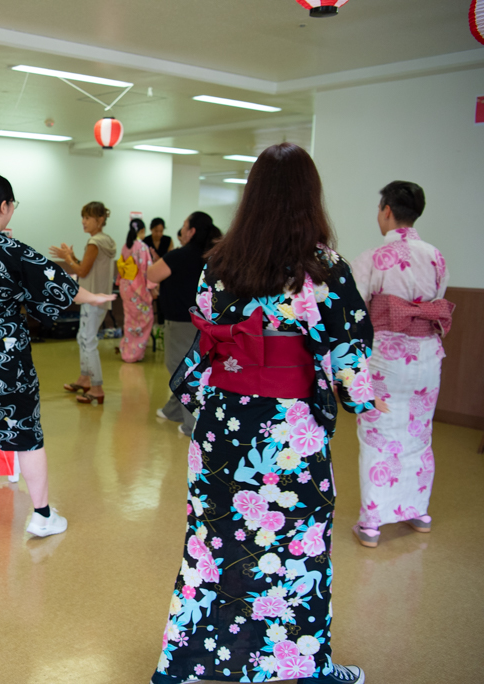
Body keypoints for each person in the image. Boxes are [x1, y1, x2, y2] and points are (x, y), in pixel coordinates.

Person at [148, 143, 374, 684]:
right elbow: (348, 347)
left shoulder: (220, 264)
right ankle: (304, 665)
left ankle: (187, 665)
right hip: (288, 430)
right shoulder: (324, 268)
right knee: (296, 545)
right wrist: (359, 395)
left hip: (224, 423)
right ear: (309, 198)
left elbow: (208, 337)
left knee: (214, 543)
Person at [0, 174, 116, 541]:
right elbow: (56, 282)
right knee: (26, 435)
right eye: (12, 204)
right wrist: (94, 298)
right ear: (4, 206)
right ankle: (43, 515)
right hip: (5, 363)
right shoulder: (9, 248)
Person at [351, 181, 452, 548]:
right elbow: (437, 300)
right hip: (427, 355)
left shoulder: (373, 258)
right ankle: (418, 511)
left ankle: (372, 523)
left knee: (378, 433)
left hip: (388, 356)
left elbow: (356, 309)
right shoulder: (436, 255)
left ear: (387, 210)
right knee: (419, 433)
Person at [147, 212, 220, 435]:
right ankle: (173, 411)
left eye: (184, 225)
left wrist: (159, 259)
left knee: (181, 368)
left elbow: (152, 274)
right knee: (190, 366)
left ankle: (192, 424)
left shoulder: (180, 255)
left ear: (191, 231)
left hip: (181, 322)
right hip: (205, 322)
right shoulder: (213, 255)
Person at [49, 201, 117, 405]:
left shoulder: (95, 242)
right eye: (83, 217)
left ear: (100, 220)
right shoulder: (106, 241)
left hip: (92, 299)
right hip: (98, 298)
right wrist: (72, 257)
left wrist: (67, 259)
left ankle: (97, 388)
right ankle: (84, 379)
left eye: (88, 218)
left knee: (88, 342)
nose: (83, 222)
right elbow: (87, 266)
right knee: (83, 337)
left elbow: (81, 271)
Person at [117, 218, 158, 363]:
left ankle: (127, 350)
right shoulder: (142, 247)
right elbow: (146, 269)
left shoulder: (126, 246)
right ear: (142, 231)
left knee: (130, 320)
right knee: (143, 320)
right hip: (137, 288)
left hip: (125, 287)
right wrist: (152, 287)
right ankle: (134, 354)